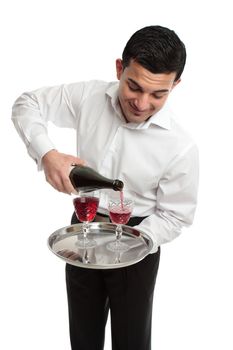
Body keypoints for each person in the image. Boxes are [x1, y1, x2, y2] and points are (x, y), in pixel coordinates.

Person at [12, 25, 199, 350]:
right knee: (83, 337)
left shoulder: (180, 147)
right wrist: (48, 154)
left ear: (175, 85)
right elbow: (27, 104)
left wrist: (136, 243)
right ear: (119, 69)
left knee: (132, 341)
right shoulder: (89, 97)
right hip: (82, 230)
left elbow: (176, 216)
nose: (142, 103)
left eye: (158, 94)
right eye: (134, 86)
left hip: (139, 240)